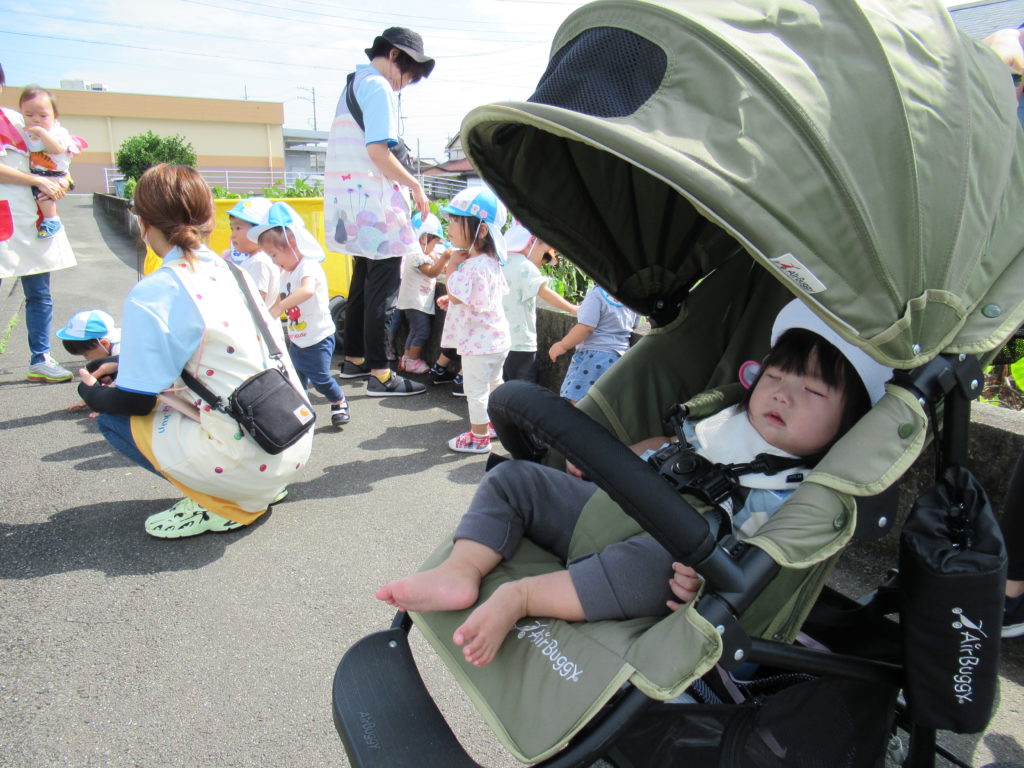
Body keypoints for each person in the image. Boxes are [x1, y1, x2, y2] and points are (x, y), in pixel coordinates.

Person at [377, 299, 892, 666]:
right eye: (775, 377)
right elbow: (663, 447)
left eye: (812, 392)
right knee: (515, 478)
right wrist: (612, 462)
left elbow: (757, 562)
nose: (782, 395)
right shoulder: (724, 419)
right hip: (604, 512)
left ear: (846, 427)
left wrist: (705, 580)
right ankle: (463, 568)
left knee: (658, 564)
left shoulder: (795, 490)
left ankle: (521, 597)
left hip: (666, 556)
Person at [77, 164, 314, 539]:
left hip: (247, 462)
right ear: (209, 219)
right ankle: (257, 489)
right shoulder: (233, 271)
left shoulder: (156, 290)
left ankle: (224, 504)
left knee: (112, 419)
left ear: (143, 223)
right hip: (290, 439)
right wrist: (121, 362)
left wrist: (89, 391)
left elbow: (135, 401)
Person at [324, 27, 435, 397]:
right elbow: (378, 151)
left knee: (362, 283)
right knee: (383, 291)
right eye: (409, 75)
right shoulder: (379, 87)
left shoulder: (353, 84)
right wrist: (415, 185)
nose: (405, 84)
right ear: (394, 55)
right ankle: (381, 374)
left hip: (351, 204)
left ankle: (355, 359)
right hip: (376, 205)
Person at [0, 63, 77, 383]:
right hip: (6, 214)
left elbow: (56, 157)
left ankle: (40, 358)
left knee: (39, 293)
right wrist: (37, 180)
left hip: (33, 217)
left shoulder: (20, 117)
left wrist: (62, 181)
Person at [251, 202, 350, 429]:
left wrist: (278, 309)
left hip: (318, 337)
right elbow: (278, 298)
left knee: (320, 378)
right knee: (296, 380)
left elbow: (307, 290)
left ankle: (339, 401)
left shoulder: (309, 266)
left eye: (274, 255)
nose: (274, 261)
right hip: (297, 338)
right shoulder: (286, 272)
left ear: (292, 244)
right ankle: (302, 412)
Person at [437, 187, 511, 454]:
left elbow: (457, 293)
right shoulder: (491, 261)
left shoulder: (471, 265)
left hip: (478, 345)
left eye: (456, 221)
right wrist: (453, 299)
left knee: (475, 391)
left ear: (481, 230)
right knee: (494, 385)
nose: (449, 226)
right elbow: (478, 298)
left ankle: (479, 437)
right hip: (496, 340)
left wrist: (451, 266)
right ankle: (496, 425)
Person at [502, 223, 578, 383]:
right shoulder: (524, 267)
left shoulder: (500, 263)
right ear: (531, 242)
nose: (540, 264)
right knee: (523, 387)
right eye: (544, 252)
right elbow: (543, 292)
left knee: (501, 387)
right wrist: (572, 308)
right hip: (520, 342)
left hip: (498, 340)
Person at [550, 285, 638, 404]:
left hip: (594, 358)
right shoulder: (632, 297)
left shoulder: (596, 294)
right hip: (620, 359)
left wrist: (562, 345)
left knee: (579, 402)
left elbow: (586, 327)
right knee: (603, 404)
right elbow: (635, 325)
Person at [18, 86, 85, 239]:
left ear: (55, 116)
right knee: (40, 194)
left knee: (43, 195)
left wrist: (42, 133)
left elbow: (56, 149)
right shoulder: (24, 131)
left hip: (56, 173)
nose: (36, 119)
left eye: (43, 116)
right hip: (38, 173)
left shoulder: (57, 132)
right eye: (29, 115)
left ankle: (52, 219)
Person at [396, 212, 449, 374]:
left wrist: (438, 260)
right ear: (424, 238)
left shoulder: (417, 253)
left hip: (412, 302)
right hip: (416, 302)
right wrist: (445, 257)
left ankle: (406, 359)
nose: (435, 248)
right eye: (434, 243)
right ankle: (413, 360)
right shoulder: (417, 255)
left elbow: (436, 268)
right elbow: (432, 272)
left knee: (414, 330)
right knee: (422, 331)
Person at [57, 308, 121, 416]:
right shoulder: (112, 347)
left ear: (104, 344)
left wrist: (105, 407)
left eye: (86, 354)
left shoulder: (122, 351)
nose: (86, 358)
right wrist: (88, 399)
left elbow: (125, 388)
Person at [222, 196, 278, 307]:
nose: (233, 235)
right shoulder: (253, 260)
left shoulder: (259, 263)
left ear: (260, 231)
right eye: (232, 229)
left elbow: (257, 299)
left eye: (238, 228)